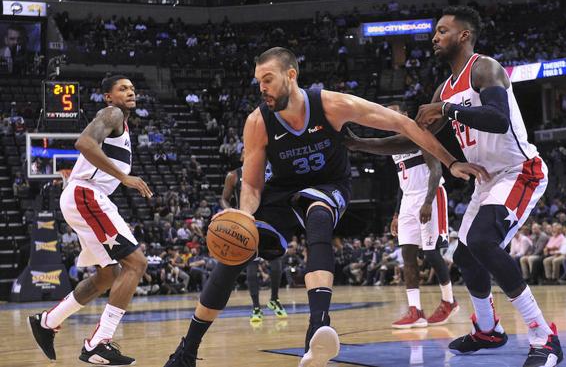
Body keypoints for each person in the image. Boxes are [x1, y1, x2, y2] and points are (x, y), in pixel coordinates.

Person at [163, 46, 486, 367]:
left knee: (318, 215)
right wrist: (244, 216)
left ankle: (317, 329)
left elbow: (405, 126)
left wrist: (451, 161)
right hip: (282, 191)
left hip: (330, 185)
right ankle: (186, 351)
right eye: (258, 81)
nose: (262, 88)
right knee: (236, 252)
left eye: (268, 79)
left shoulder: (332, 104)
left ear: (291, 75)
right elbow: (252, 184)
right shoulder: (257, 122)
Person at [349, 6, 563, 366]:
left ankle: (544, 337)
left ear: (463, 35)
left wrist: (446, 110)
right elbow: (413, 140)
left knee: (482, 241)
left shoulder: (485, 68)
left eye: (443, 31)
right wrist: (360, 144)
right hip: (486, 178)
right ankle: (488, 329)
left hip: (519, 170)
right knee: (465, 255)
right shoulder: (444, 88)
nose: (435, 37)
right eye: (435, 31)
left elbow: (497, 120)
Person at [28, 75, 153, 366]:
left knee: (109, 274)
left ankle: (48, 321)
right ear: (108, 97)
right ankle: (99, 343)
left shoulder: (120, 124)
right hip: (87, 195)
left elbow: (90, 153)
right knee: (137, 263)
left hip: (83, 196)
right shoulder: (112, 113)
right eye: (123, 88)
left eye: (132, 88)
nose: (130, 92)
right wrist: (124, 177)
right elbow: (84, 142)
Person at [345, 102, 459, 328]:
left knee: (431, 252)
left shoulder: (419, 134)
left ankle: (449, 301)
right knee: (407, 253)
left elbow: (436, 169)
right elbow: (401, 182)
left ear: (405, 115)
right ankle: (415, 310)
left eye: (393, 113)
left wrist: (428, 201)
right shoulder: (394, 145)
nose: (389, 117)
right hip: (408, 199)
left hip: (431, 193)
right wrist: (397, 213)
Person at [219, 151, 287, 324]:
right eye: (245, 151)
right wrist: (231, 212)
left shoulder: (271, 172)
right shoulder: (233, 176)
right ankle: (256, 307)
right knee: (251, 266)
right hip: (247, 225)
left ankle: (274, 299)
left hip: (269, 223)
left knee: (277, 263)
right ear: (242, 157)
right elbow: (224, 199)